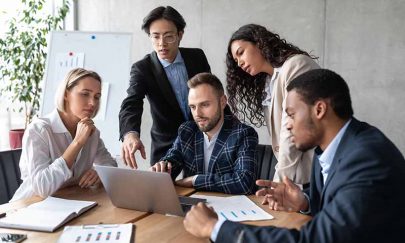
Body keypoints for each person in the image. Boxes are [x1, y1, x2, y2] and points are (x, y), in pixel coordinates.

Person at [183, 69, 405, 242]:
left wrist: (215, 227)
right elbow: (341, 204)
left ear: (319, 110)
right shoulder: (334, 146)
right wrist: (305, 200)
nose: (286, 125)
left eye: (290, 114)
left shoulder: (367, 160)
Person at [226, 24, 320, 185]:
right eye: (236, 61)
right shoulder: (268, 85)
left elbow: (292, 131)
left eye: (241, 53)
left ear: (259, 42)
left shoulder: (296, 66)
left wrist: (279, 182)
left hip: (315, 175)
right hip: (296, 179)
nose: (240, 63)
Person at [119, 6, 211, 169]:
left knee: (204, 190)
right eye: (155, 37)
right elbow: (132, 102)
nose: (162, 44)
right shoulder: (143, 68)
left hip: (201, 141)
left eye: (168, 37)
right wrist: (130, 134)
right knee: (160, 192)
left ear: (180, 35)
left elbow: (211, 96)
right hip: (165, 147)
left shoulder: (197, 57)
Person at [11, 68, 117, 201]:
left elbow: (110, 164)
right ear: (66, 94)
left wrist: (99, 173)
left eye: (97, 97)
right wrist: (77, 143)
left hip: (71, 202)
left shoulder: (91, 132)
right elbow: (42, 188)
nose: (93, 103)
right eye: (85, 94)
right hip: (30, 206)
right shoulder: (39, 130)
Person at [152, 73, 258, 194]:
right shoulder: (187, 131)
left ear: (223, 102)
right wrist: (161, 169)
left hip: (230, 209)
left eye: (205, 105)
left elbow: (244, 183)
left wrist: (195, 180)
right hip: (193, 208)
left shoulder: (243, 134)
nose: (197, 113)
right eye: (192, 107)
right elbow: (171, 161)